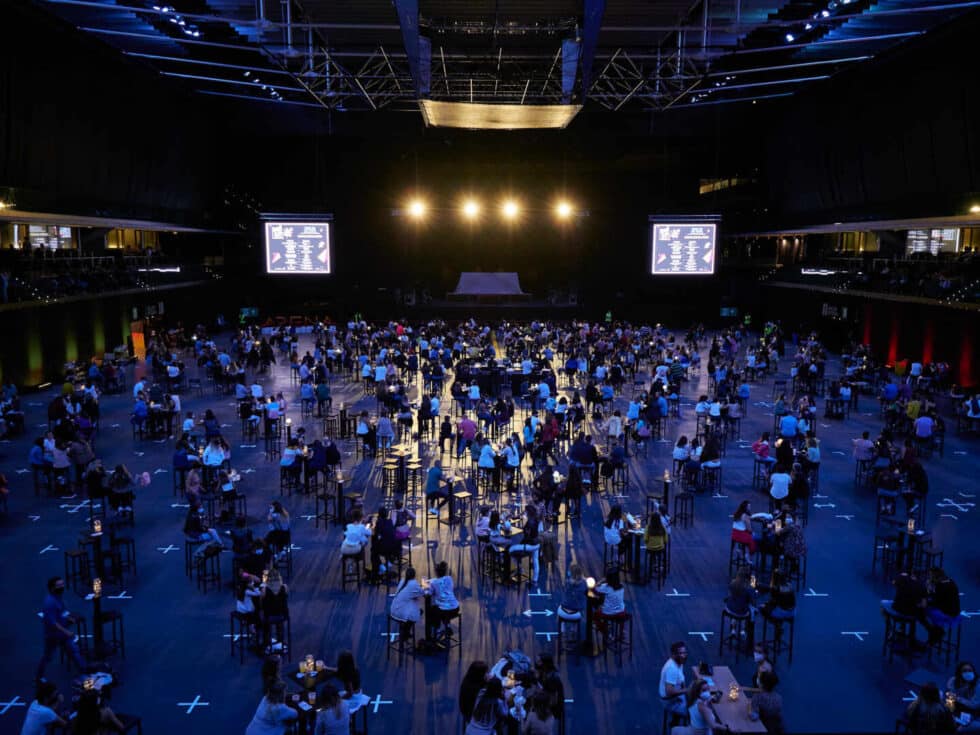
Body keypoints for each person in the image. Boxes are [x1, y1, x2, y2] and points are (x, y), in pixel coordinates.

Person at [35, 576, 86, 680]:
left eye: (62, 584)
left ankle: (84, 672)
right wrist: (67, 632)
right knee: (48, 657)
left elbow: (61, 612)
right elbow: (53, 623)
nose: (62, 587)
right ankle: (39, 677)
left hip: (61, 633)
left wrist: (68, 618)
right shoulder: (49, 602)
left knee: (74, 652)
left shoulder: (58, 597)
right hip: (53, 635)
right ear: (52, 588)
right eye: (60, 585)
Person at [427, 560, 460, 642]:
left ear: (436, 573)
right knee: (442, 608)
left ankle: (437, 631)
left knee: (433, 610)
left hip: (444, 611)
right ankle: (447, 626)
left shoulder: (433, 583)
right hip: (455, 608)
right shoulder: (449, 578)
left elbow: (429, 593)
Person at [390, 567, 424, 638]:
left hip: (393, 610)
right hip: (400, 613)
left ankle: (405, 630)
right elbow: (422, 592)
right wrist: (424, 585)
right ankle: (406, 631)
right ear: (414, 575)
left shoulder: (402, 581)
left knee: (413, 608)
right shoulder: (414, 584)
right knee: (420, 611)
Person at [945, 662, 980, 726]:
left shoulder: (978, 684)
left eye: (970, 670)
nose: (968, 673)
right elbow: (949, 698)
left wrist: (957, 698)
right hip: (957, 708)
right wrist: (950, 713)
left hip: (972, 711)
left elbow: (974, 705)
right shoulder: (953, 681)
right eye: (964, 670)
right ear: (959, 672)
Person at [459, 661, 490, 727]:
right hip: (472, 715)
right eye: (485, 672)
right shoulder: (474, 689)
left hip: (468, 712)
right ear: (480, 674)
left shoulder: (470, 679)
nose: (487, 674)